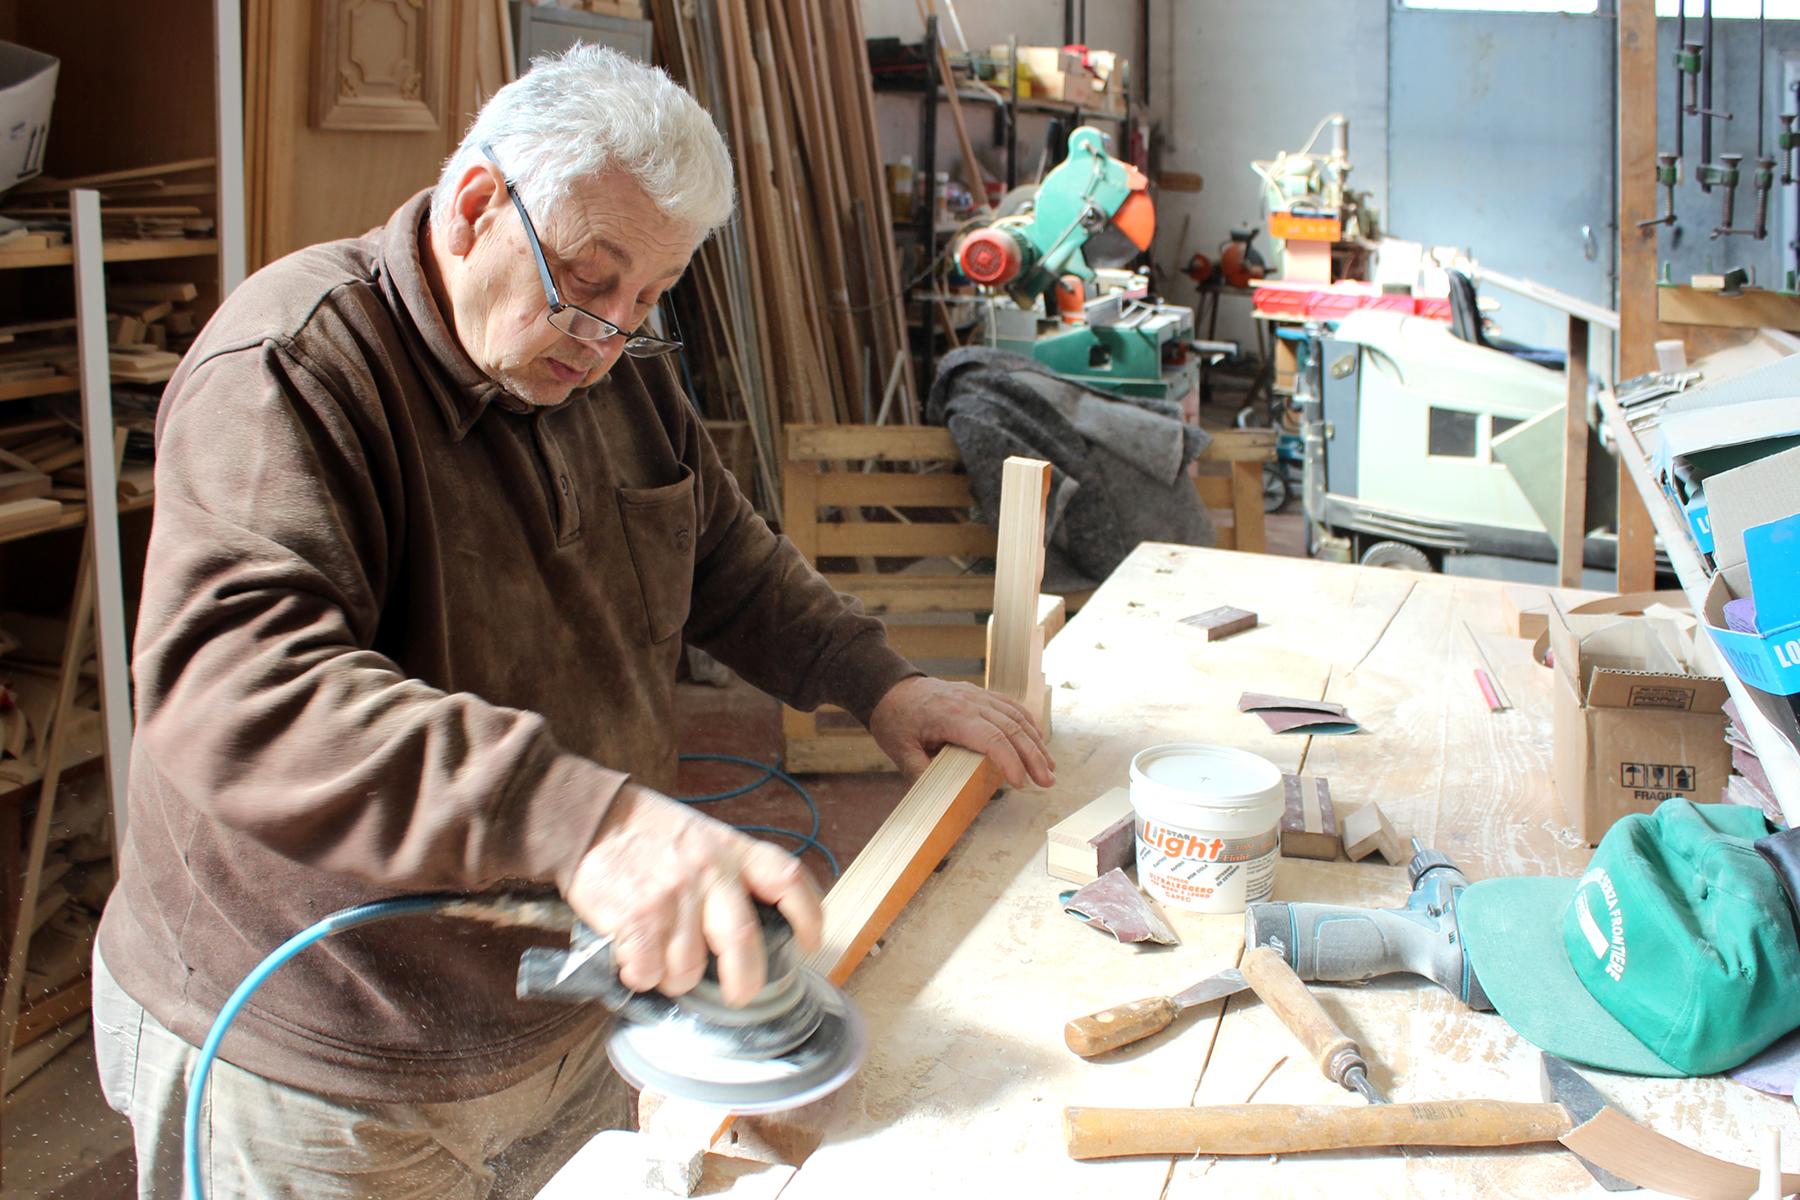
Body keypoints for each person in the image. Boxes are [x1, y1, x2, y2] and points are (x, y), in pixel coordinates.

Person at [92, 44, 1053, 1199]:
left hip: (571, 995)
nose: (610, 335)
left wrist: (879, 679)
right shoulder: (295, 368)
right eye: (590, 283)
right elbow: (242, 688)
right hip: (322, 1051)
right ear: (476, 205)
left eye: (649, 297)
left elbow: (719, 553)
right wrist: (590, 824)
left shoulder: (614, 364)